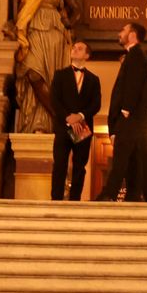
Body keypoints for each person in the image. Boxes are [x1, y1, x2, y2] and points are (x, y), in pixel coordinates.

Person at [10, 0, 75, 135]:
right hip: (33, 30)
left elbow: (76, 9)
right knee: (33, 74)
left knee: (52, 80)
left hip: (54, 33)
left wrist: (69, 22)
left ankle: (46, 125)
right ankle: (63, 121)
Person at [94, 22, 147, 202]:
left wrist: (126, 109)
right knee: (137, 162)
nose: (119, 32)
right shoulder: (136, 55)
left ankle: (109, 194)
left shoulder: (136, 55)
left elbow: (133, 84)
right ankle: (135, 195)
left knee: (121, 160)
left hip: (131, 121)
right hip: (137, 124)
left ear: (132, 34)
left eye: (123, 30)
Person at [48, 40, 101, 201]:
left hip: (83, 126)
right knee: (60, 164)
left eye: (79, 49)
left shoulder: (93, 79)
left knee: (79, 166)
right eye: (74, 48)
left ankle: (75, 200)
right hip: (64, 126)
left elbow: (96, 104)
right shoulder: (60, 74)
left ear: (87, 55)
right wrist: (68, 117)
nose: (75, 50)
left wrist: (80, 116)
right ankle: (56, 199)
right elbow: (54, 100)